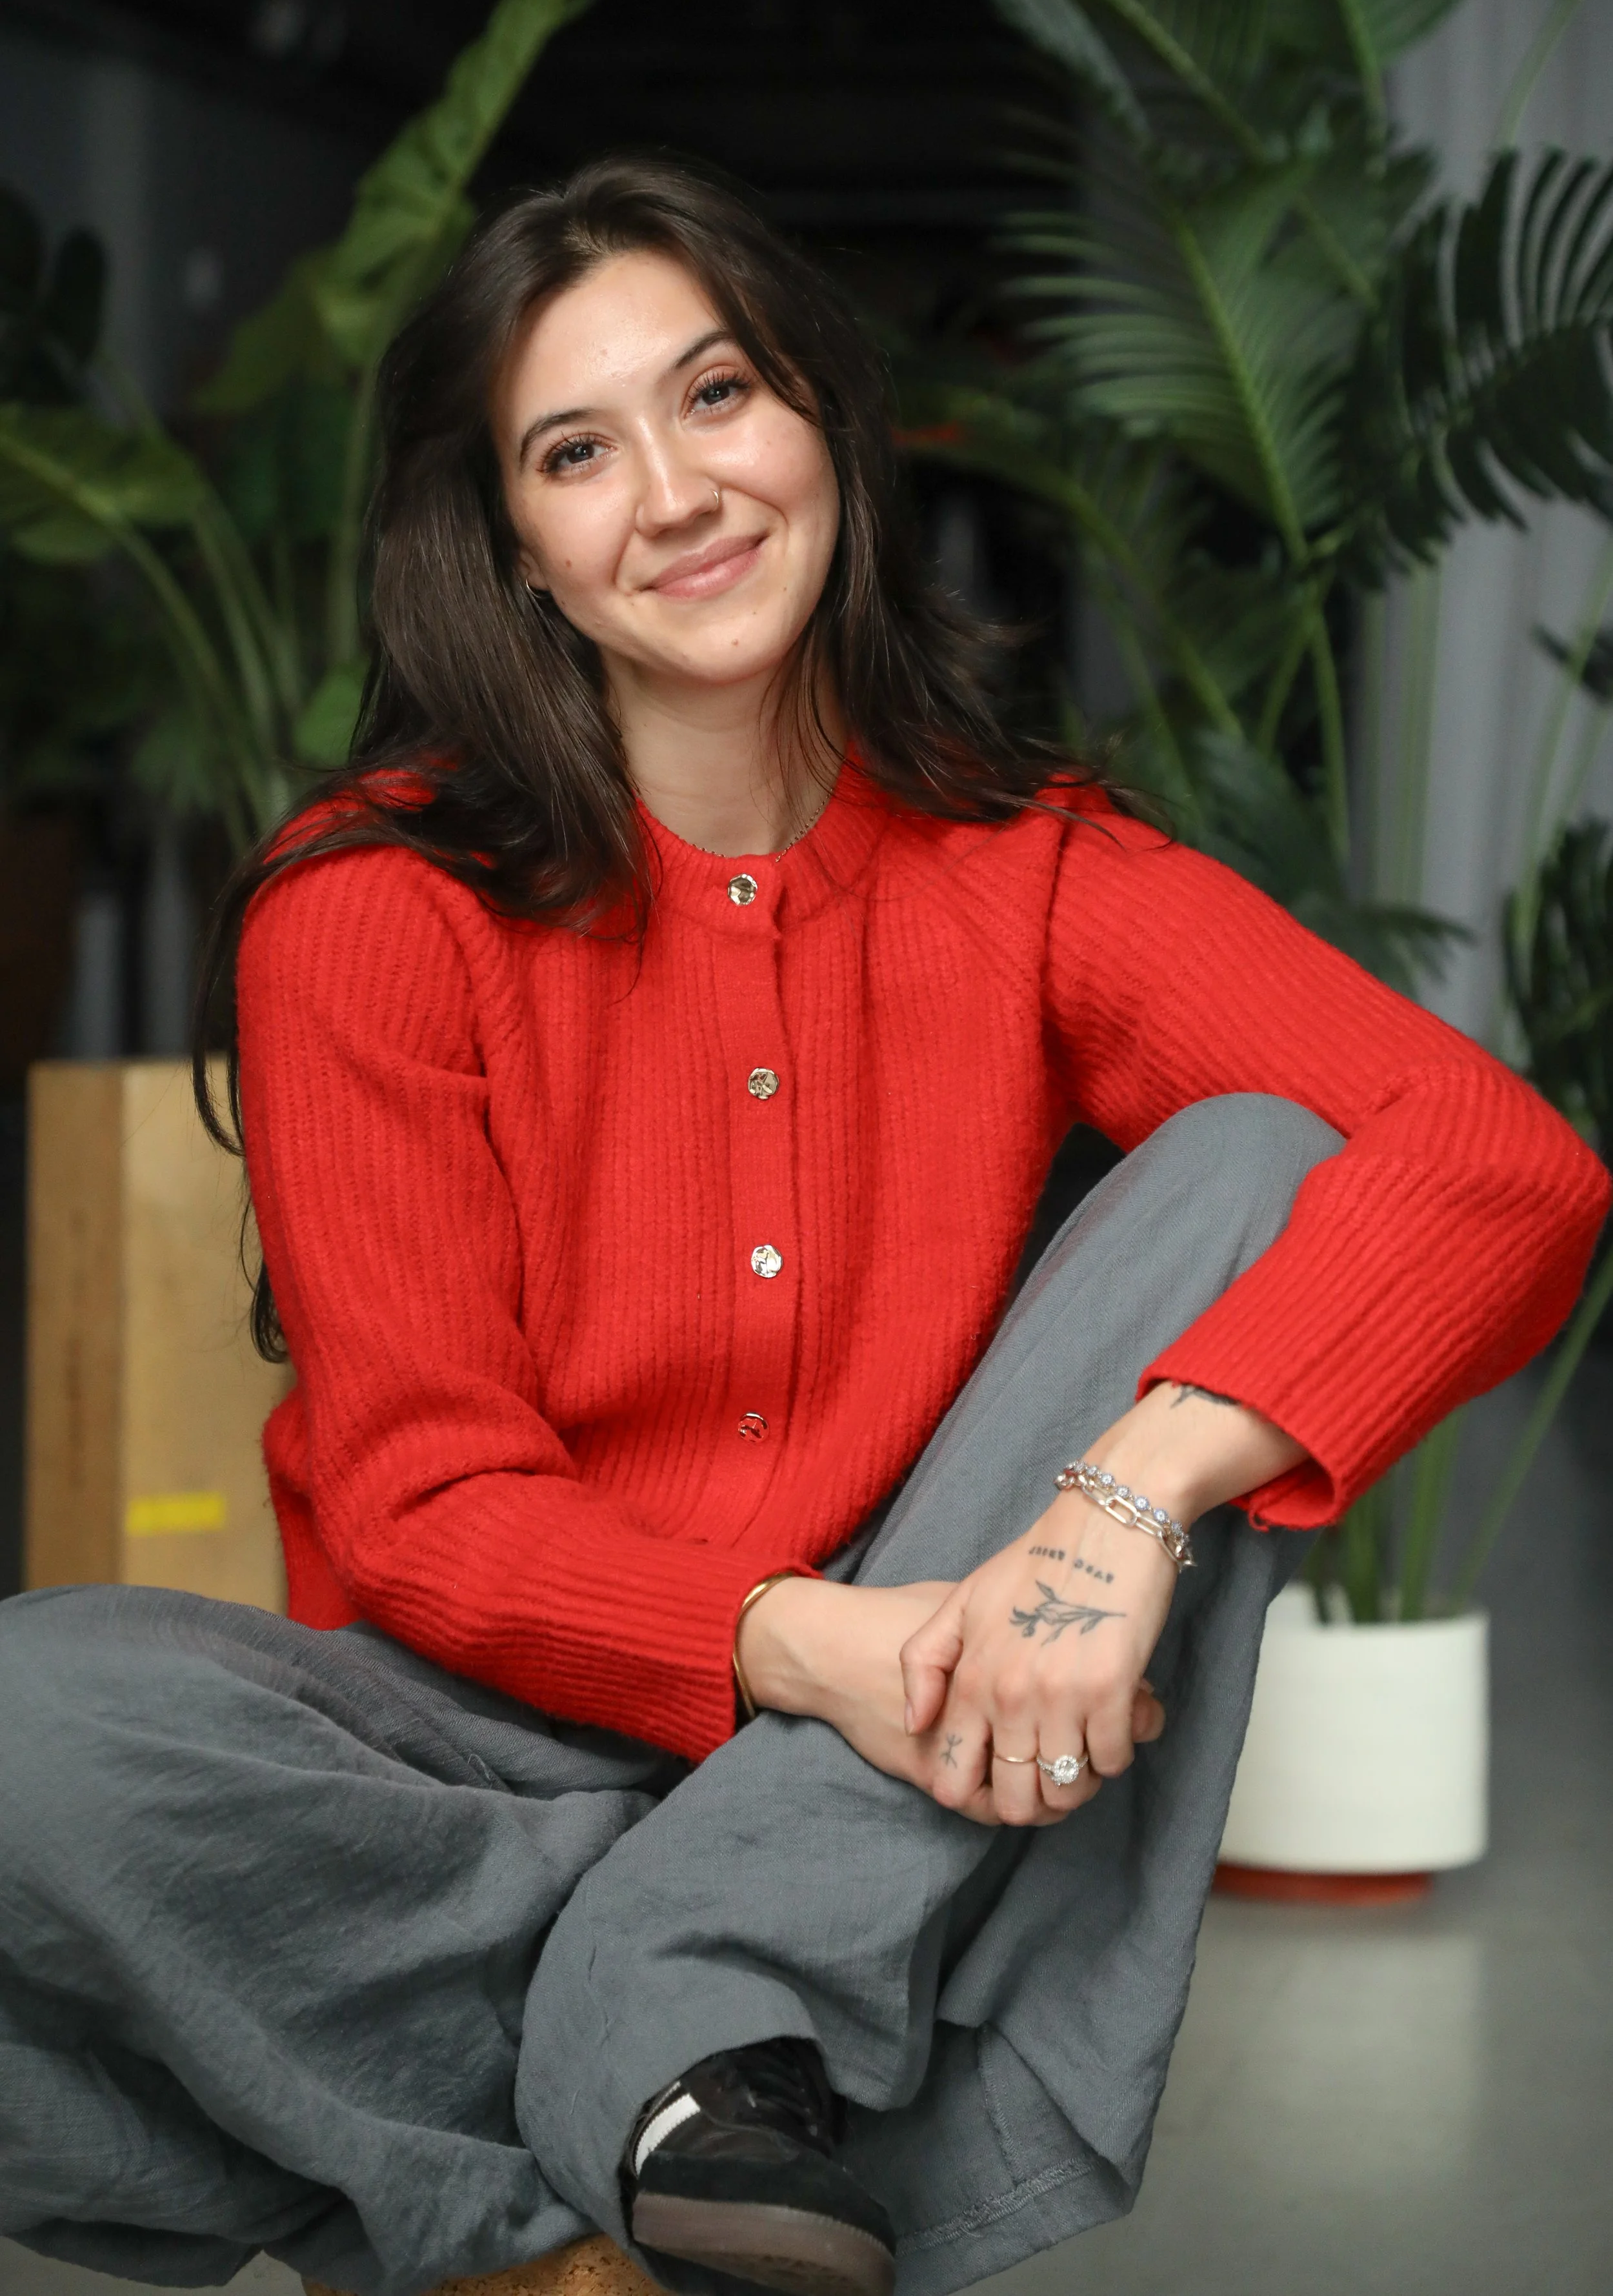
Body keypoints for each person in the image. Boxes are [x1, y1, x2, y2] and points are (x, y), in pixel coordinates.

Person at [0, 157, 1605, 2296]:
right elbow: (425, 1510)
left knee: (1244, 1164)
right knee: (33, 1727)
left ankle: (668, 2008)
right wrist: (795, 1648)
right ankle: (591, 2176)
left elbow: (1504, 1162)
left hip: (911, 1720)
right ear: (520, 556)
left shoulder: (1023, 864)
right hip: (491, 1764)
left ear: (826, 425)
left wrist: (1116, 1502)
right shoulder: (373, 910)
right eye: (578, 452)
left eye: (718, 396)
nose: (674, 491)